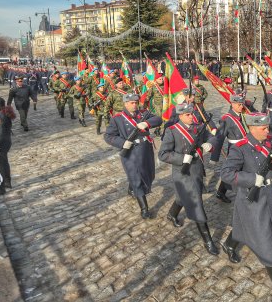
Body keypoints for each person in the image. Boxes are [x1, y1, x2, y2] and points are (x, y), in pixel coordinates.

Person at [220, 113, 272, 301]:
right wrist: (252, 179)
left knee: (245, 226)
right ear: (252, 128)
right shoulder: (240, 148)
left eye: (267, 127)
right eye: (263, 128)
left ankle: (229, 244)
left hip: (267, 195)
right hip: (250, 199)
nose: (267, 131)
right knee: (265, 238)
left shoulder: (269, 141)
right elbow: (226, 174)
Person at [158, 103, 217, 255]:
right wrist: (183, 158)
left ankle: (172, 214)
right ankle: (208, 240)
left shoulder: (198, 127)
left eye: (192, 114)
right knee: (196, 202)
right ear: (180, 116)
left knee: (181, 197)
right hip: (182, 173)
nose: (192, 116)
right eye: (188, 115)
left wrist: (207, 145)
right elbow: (163, 154)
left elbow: (211, 137)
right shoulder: (172, 131)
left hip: (196, 169)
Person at [104, 93, 163, 219]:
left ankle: (132, 188)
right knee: (136, 178)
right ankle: (144, 209)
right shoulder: (117, 118)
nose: (135, 105)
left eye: (136, 102)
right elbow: (108, 136)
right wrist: (122, 142)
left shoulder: (143, 114)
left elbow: (159, 119)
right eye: (131, 103)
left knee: (149, 174)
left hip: (145, 149)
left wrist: (146, 123)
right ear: (125, 104)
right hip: (130, 151)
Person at [210, 94, 248, 203]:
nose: (241, 106)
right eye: (239, 104)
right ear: (232, 104)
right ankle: (222, 192)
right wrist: (214, 156)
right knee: (233, 170)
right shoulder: (226, 119)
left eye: (242, 104)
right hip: (235, 149)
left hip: (244, 147)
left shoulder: (243, 115)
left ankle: (222, 192)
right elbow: (219, 138)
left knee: (242, 169)